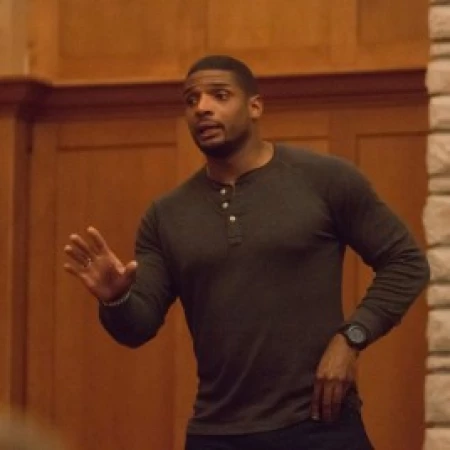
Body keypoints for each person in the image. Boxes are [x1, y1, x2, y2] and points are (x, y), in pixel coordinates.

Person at [63, 55, 430, 450]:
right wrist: (116, 299)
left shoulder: (325, 179)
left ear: (255, 106)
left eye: (219, 95)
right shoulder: (166, 215)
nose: (202, 108)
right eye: (191, 100)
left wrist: (350, 339)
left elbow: (406, 263)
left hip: (320, 423)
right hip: (217, 432)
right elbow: (137, 328)